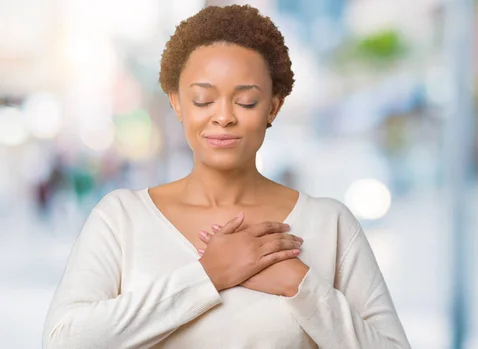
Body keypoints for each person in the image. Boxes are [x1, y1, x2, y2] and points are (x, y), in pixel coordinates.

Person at [42, 5, 411, 349]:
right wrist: (207, 276)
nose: (223, 117)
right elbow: (62, 340)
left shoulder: (330, 224)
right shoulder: (121, 218)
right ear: (177, 103)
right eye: (203, 100)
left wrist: (301, 286)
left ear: (273, 106)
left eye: (246, 101)